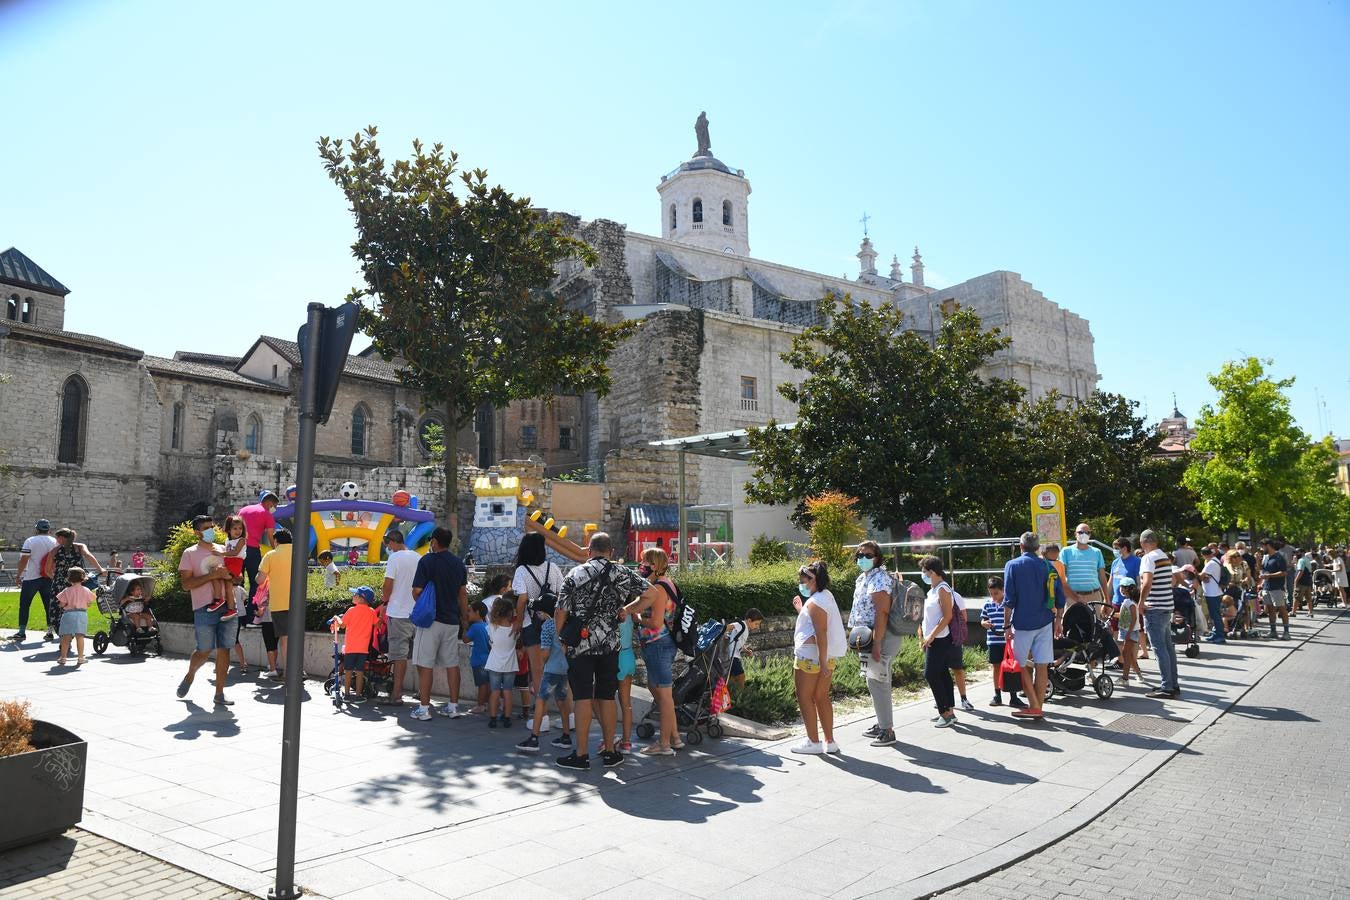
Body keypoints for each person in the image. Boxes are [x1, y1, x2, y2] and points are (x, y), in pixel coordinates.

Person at [556, 532, 657, 770]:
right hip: (610, 645)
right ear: (611, 552)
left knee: (582, 697)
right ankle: (611, 752)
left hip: (580, 645)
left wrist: (562, 638)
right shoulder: (622, 573)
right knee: (606, 697)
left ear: (589, 551)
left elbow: (561, 609)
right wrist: (628, 609)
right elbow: (652, 593)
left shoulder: (575, 574)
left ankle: (581, 756)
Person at [621, 547, 685, 757]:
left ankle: (664, 744)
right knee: (657, 690)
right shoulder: (666, 583)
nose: (641, 566)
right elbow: (639, 603)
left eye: (645, 562)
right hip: (661, 644)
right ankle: (674, 737)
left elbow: (656, 622)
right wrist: (627, 609)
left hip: (658, 643)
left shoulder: (658, 587)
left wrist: (637, 619)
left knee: (665, 696)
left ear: (655, 565)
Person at [1002, 531, 1066, 720]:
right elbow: (1061, 597)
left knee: (1020, 665)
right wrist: (1059, 621)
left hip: (1022, 623)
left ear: (1021, 546)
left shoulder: (1012, 565)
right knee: (1042, 665)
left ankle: (1035, 706)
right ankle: (1038, 707)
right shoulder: (1048, 566)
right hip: (1045, 621)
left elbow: (1009, 599)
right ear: (1038, 548)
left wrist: (1006, 626)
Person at [176, 515, 239, 706]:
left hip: (228, 607)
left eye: (212, 526)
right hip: (204, 608)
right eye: (206, 528)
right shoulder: (189, 553)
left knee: (225, 649)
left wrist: (231, 577)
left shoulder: (223, 550)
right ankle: (190, 674)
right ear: (197, 532)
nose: (211, 530)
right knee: (204, 650)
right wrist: (212, 575)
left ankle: (219, 693)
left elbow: (237, 579)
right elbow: (186, 584)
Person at [409, 527, 470, 722]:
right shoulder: (459, 564)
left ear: (434, 541)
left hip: (430, 621)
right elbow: (463, 594)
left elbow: (417, 591)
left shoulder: (426, 561)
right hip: (452, 620)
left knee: (426, 664)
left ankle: (424, 708)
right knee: (452, 664)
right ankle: (453, 706)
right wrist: (464, 619)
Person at [787, 560, 847, 751]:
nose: (800, 583)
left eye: (802, 579)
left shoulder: (815, 602)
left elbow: (820, 632)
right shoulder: (825, 596)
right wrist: (801, 609)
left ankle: (813, 741)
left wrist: (822, 662)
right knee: (822, 696)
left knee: (805, 697)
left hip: (811, 657)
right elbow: (816, 624)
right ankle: (830, 741)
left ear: (812, 580)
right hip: (824, 655)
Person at [848, 541, 901, 744]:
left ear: (877, 558)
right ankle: (882, 723)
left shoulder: (878, 578)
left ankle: (887, 731)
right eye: (859, 555)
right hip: (868, 637)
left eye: (868, 555)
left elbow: (882, 612)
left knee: (876, 681)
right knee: (877, 680)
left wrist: (877, 643)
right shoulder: (864, 578)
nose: (862, 558)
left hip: (880, 637)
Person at [510, 533, 563, 731]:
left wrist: (517, 622)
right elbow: (560, 596)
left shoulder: (521, 571)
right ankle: (570, 716)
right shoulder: (554, 568)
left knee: (538, 671)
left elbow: (522, 599)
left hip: (531, 625)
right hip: (552, 622)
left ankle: (543, 717)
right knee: (558, 668)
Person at [516, 610, 574, 753]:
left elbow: (545, 653)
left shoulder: (547, 626)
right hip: (565, 668)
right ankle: (566, 736)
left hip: (551, 669)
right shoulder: (568, 622)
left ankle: (534, 738)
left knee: (541, 700)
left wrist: (542, 664)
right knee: (562, 701)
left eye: (539, 611)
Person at [917, 555, 964, 728]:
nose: (923, 574)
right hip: (933, 638)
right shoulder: (932, 590)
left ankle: (944, 712)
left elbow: (947, 616)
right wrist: (923, 634)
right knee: (942, 673)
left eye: (924, 571)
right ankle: (949, 711)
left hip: (940, 638)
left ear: (932, 572)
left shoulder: (943, 589)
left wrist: (931, 636)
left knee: (930, 674)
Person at [379, 529, 421, 705]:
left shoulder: (394, 558)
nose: (388, 547)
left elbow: (388, 585)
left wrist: (383, 602)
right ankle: (422, 691)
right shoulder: (418, 557)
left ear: (393, 542)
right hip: (417, 612)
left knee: (399, 656)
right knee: (419, 654)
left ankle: (396, 695)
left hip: (398, 612)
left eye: (387, 544)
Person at [1137, 529, 1180, 699]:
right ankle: (1173, 683)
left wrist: (1141, 602)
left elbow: (1147, 582)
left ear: (1143, 543)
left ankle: (1167, 687)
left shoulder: (1148, 558)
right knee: (1168, 647)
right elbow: (1172, 581)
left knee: (1159, 648)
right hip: (1167, 606)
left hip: (1154, 607)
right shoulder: (1163, 556)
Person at [49, 528, 107, 636]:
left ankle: (63, 634)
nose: (56, 540)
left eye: (57, 538)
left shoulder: (55, 550)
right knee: (76, 608)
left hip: (59, 585)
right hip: (77, 584)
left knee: (57, 610)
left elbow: (48, 570)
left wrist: (57, 579)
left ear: (61, 538)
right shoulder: (79, 547)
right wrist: (100, 569)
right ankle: (73, 632)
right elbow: (89, 556)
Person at [257, 529, 295, 681]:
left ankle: (287, 674)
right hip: (297, 603)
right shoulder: (298, 553)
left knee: (285, 640)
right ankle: (298, 671)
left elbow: (260, 579)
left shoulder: (270, 555)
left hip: (279, 603)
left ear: (276, 541)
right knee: (296, 638)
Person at [11, 520, 58, 644]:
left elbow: (24, 559)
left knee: (25, 605)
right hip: (48, 577)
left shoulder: (31, 541)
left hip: (31, 577)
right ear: (49, 530)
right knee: (48, 605)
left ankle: (21, 632)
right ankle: (50, 631)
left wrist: (19, 574)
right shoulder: (55, 541)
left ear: (36, 529)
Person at [980, 576, 1023, 708]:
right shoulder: (987, 604)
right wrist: (985, 623)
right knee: (996, 667)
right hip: (993, 642)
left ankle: (1013, 696)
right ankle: (997, 695)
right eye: (991, 593)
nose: (993, 596)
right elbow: (983, 620)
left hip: (1007, 642)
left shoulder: (1008, 604)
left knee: (1011, 667)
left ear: (1003, 590)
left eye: (996, 593)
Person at [335, 586, 380, 703]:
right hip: (363, 648)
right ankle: (359, 695)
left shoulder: (351, 610)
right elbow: (377, 624)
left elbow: (342, 625)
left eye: (355, 594)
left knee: (348, 670)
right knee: (360, 671)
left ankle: (347, 694)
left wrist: (336, 618)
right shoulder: (371, 612)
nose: (353, 596)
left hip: (350, 647)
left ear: (361, 598)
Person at [238, 491, 279, 608]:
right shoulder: (267, 514)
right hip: (252, 549)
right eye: (275, 506)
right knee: (255, 582)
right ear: (270, 503)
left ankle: (237, 614)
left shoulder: (244, 510)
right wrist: (276, 550)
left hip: (237, 548)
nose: (274, 509)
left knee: (237, 581)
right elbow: (271, 536)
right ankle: (250, 615)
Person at [485, 595, 519, 728]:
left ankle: (492, 718)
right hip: (510, 665)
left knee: (494, 691)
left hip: (494, 664)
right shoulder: (515, 628)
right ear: (511, 611)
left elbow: (489, 639)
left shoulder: (492, 627)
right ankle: (507, 718)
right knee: (508, 691)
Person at [1060, 522, 1110, 612]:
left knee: (1095, 624)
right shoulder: (1066, 551)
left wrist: (1106, 599)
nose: (1084, 535)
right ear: (1075, 534)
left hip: (1094, 596)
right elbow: (1062, 577)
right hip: (1073, 597)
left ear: (1090, 534)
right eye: (1081, 532)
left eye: (1087, 532)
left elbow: (1102, 577)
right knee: (1071, 625)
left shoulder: (1097, 552)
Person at [55, 567, 94, 666]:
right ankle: (80, 657)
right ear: (83, 578)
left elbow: (62, 604)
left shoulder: (67, 590)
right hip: (81, 614)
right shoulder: (86, 590)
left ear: (69, 578)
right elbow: (89, 603)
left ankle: (63, 658)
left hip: (69, 614)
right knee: (80, 636)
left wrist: (62, 605)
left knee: (66, 637)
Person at [725, 608, 764, 694]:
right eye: (756, 624)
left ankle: (730, 694)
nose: (757, 626)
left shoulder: (745, 628)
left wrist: (746, 650)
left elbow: (738, 642)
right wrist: (722, 633)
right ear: (749, 620)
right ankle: (741, 695)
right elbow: (729, 626)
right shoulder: (741, 624)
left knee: (732, 677)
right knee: (741, 676)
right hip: (732, 655)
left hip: (734, 655)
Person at [1258, 537, 1290, 640]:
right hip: (1267, 587)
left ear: (1268, 546)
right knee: (1270, 609)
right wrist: (1258, 561)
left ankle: (1286, 632)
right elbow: (1262, 569)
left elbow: (1284, 572)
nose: (1262, 549)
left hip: (1277, 587)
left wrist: (1269, 576)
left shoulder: (1279, 557)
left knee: (1281, 608)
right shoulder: (1266, 557)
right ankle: (1273, 631)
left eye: (1263, 547)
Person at [463, 600, 491, 714]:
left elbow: (465, 640)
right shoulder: (487, 626)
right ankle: (488, 703)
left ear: (477, 612)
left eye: (470, 611)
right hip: (489, 660)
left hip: (478, 661)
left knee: (482, 685)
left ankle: (480, 705)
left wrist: (465, 628)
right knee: (488, 684)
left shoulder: (474, 627)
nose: (468, 613)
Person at [1116, 577, 1145, 687]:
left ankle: (1125, 678)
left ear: (1128, 589)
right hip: (1125, 630)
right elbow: (1124, 616)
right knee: (1129, 655)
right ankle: (1138, 674)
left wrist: (1129, 632)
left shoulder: (1131, 603)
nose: (1121, 590)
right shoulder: (1127, 602)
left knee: (1126, 654)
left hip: (1130, 631)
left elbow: (1134, 619)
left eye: (1123, 587)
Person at [1199, 546, 1227, 644]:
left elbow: (1201, 576)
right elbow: (1207, 577)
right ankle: (1216, 634)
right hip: (1215, 591)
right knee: (1215, 615)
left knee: (1215, 615)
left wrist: (1194, 572)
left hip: (1212, 593)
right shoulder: (1216, 561)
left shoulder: (1210, 563)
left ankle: (1220, 636)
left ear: (1203, 555)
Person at [1293, 549, 1318, 618]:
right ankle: (1310, 612)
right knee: (1308, 598)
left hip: (1301, 582)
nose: (1296, 554)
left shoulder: (1301, 560)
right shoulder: (1307, 559)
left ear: (1302, 552)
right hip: (1308, 581)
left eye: (1297, 552)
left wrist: (1296, 580)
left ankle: (1293, 612)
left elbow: (1301, 571)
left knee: (1296, 597)